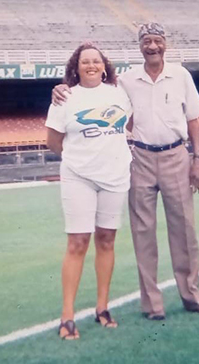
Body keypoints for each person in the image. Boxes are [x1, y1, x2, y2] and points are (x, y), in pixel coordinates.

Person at [53, 23, 199, 321]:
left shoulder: (181, 75)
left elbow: (193, 119)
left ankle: (191, 294)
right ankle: (152, 304)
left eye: (157, 41)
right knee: (143, 233)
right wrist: (61, 88)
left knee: (185, 230)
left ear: (166, 43)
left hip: (176, 155)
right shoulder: (125, 82)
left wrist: (196, 158)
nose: (152, 46)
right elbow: (94, 97)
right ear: (140, 46)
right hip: (139, 157)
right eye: (146, 41)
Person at [46, 43, 133, 340]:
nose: (92, 65)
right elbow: (53, 142)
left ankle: (102, 308)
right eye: (86, 61)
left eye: (96, 61)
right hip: (79, 177)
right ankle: (67, 316)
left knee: (107, 240)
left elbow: (128, 125)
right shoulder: (65, 97)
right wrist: (80, 159)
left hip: (116, 176)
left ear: (104, 65)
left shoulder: (120, 93)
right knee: (78, 242)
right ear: (76, 66)